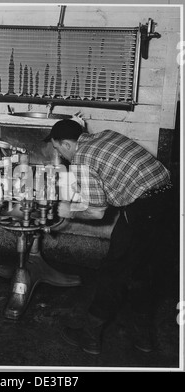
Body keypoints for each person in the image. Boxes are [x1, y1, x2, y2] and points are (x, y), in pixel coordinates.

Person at [43, 118, 174, 355]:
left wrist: (68, 211)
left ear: (66, 144)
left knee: (114, 271)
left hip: (144, 209)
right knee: (144, 270)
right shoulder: (107, 134)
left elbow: (97, 212)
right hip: (169, 200)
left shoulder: (82, 159)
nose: (58, 153)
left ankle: (90, 337)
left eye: (56, 148)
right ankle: (143, 338)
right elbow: (113, 182)